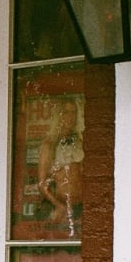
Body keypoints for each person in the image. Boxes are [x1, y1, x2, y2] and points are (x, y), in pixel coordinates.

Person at [37, 97, 84, 237]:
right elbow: (42, 184)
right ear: (59, 115)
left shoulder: (80, 141)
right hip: (61, 205)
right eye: (66, 112)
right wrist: (58, 206)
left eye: (73, 112)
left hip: (81, 205)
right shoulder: (50, 144)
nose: (70, 117)